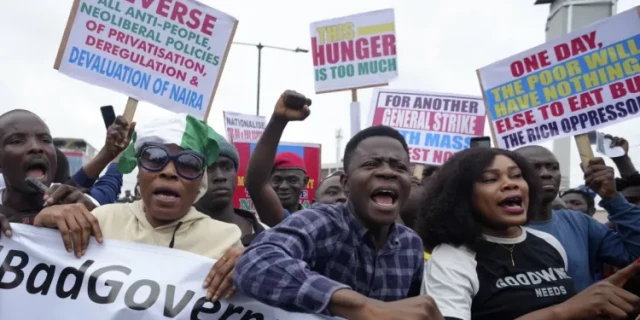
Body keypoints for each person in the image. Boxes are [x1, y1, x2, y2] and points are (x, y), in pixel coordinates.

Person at [235, 97, 439, 319]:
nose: (388, 172)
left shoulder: (411, 245)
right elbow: (256, 263)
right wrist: (362, 307)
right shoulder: (322, 222)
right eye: (371, 164)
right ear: (346, 184)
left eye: (399, 166)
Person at [33, 114, 244, 300]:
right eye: (155, 158)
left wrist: (249, 270)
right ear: (139, 171)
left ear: (201, 181)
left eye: (188, 163)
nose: (169, 172)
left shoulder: (225, 240)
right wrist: (42, 228)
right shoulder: (100, 220)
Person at [420, 147, 640, 320]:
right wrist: (563, 312)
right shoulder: (451, 259)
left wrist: (603, 309)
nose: (510, 184)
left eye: (516, 176)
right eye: (491, 179)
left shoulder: (549, 243)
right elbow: (568, 310)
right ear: (462, 196)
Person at [517, 145, 640, 291]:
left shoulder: (580, 223)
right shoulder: (493, 226)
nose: (546, 173)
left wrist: (612, 198)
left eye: (553, 167)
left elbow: (635, 255)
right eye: (534, 168)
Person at [0, 109, 96, 230]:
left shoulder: (78, 202)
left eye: (45, 140)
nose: (36, 147)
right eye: (17, 141)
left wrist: (95, 216)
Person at [244, 91, 314, 227]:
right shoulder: (255, 224)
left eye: (292, 180)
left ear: (305, 182)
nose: (283, 187)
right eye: (277, 180)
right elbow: (255, 183)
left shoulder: (315, 222)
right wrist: (278, 120)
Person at [195, 136, 267, 246]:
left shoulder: (266, 233)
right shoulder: (177, 236)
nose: (220, 176)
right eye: (208, 168)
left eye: (227, 167)